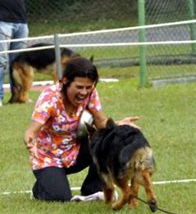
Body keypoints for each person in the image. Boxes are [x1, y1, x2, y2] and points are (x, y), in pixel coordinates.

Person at [24, 57, 139, 202]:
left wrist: (120, 126)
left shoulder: (90, 93)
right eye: (79, 87)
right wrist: (29, 141)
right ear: (65, 81)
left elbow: (100, 122)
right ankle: (40, 188)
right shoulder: (50, 98)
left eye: (88, 87)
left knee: (111, 140)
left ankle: (93, 189)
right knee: (60, 197)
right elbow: (31, 131)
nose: (84, 92)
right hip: (49, 158)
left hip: (75, 152)